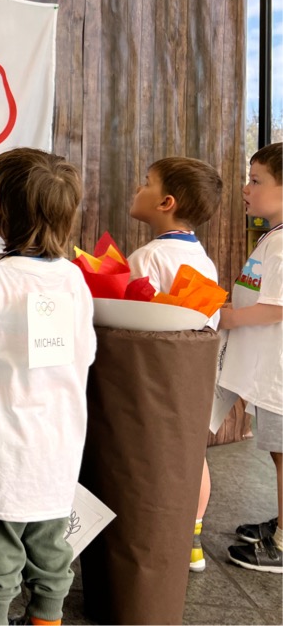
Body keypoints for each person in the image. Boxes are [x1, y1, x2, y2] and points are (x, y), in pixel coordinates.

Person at [0, 148, 96, 626]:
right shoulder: (74, 280)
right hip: (57, 448)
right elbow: (86, 353)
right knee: (52, 551)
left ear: (0, 212)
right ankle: (47, 617)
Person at [127, 155, 223, 572]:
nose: (138, 188)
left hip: (153, 378)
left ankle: (153, 533)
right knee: (192, 453)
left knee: (152, 458)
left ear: (166, 202)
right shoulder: (204, 260)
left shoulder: (147, 258)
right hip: (195, 375)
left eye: (146, 182)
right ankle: (192, 537)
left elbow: (132, 321)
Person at [218, 141, 283, 573]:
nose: (246, 188)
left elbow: (277, 306)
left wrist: (229, 318)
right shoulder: (273, 238)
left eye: (256, 181)